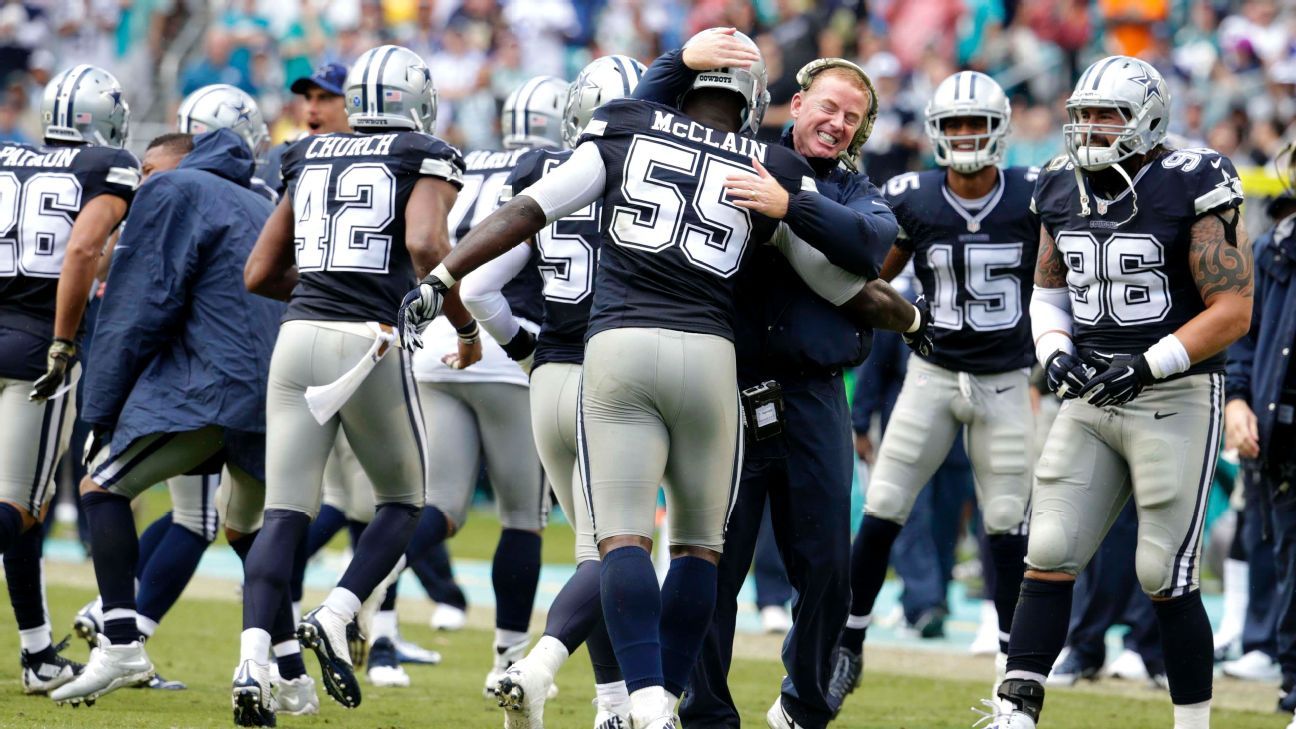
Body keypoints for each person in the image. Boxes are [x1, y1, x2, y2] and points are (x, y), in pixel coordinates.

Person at [399, 30, 924, 729]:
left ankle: (638, 697)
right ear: (770, 104)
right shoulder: (768, 163)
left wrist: (441, 277)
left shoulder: (625, 127)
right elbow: (841, 284)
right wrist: (909, 314)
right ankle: (669, 700)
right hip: (713, 364)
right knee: (703, 549)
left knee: (620, 541)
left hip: (606, 351)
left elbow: (526, 211)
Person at [628, 32, 927, 729]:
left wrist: (789, 204)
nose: (837, 122)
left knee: (826, 563)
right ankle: (705, 709)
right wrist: (684, 58)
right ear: (797, 102)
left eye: (852, 116)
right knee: (711, 563)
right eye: (828, 106)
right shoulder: (737, 150)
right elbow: (645, 124)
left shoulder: (857, 189)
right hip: (724, 387)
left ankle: (804, 703)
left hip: (815, 392)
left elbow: (870, 244)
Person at [983, 56, 1251, 729]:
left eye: (1108, 114)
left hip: (1177, 392)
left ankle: (1192, 723)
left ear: (1150, 115)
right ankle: (1016, 711)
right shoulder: (1057, 184)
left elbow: (1232, 309)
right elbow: (1048, 289)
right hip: (1093, 393)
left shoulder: (1194, 180)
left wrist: (1149, 363)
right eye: (1084, 114)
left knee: (1163, 569)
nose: (1091, 128)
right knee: (1047, 549)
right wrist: (1054, 351)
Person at [238, 44, 471, 726]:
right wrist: (462, 324)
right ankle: (339, 613)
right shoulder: (423, 150)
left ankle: (253, 660)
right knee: (404, 500)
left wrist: (319, 291)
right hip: (366, 340)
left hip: (297, 334)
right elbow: (428, 245)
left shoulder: (305, 154)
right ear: (417, 100)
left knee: (284, 511)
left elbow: (258, 273)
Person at [43, 124, 287, 710]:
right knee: (246, 532)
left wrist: (101, 403)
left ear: (181, 161)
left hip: (212, 386)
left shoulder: (175, 192)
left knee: (100, 488)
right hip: (271, 388)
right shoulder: (258, 198)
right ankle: (292, 672)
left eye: (150, 172)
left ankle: (123, 641)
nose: (141, 185)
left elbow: (142, 303)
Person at [445, 54, 646, 729]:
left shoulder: (547, 177)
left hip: (548, 378)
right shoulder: (655, 179)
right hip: (611, 379)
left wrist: (523, 346)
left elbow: (475, 287)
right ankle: (534, 669)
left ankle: (611, 705)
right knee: (620, 548)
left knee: (596, 549)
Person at [833, 70, 1038, 710]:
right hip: (931, 373)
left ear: (999, 130)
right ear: (936, 132)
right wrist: (896, 320)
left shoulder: (1034, 198)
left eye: (977, 124)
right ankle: (850, 644)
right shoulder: (913, 197)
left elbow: (1066, 280)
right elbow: (870, 281)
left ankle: (1011, 676)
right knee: (884, 506)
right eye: (955, 125)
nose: (967, 135)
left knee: (1007, 527)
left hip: (1006, 380)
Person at [404, 74, 564, 698]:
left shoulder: (467, 161)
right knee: (522, 517)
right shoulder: (551, 163)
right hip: (502, 340)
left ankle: (353, 600)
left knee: (439, 508)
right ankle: (508, 660)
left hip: (437, 345)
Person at [0, 63, 136, 696]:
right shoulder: (103, 167)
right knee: (18, 506)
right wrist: (62, 339)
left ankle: (36, 654)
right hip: (35, 345)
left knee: (25, 505)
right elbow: (81, 250)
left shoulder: (8, 161)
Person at [1225, 149, 1296, 724]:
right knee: (1288, 558)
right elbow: (1246, 340)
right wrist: (1239, 400)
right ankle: (1294, 685)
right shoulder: (1274, 246)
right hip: (1283, 431)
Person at [262, 62, 349, 196]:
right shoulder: (281, 156)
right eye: (308, 98)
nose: (311, 109)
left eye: (323, 98)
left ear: (351, 104)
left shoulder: (375, 155)